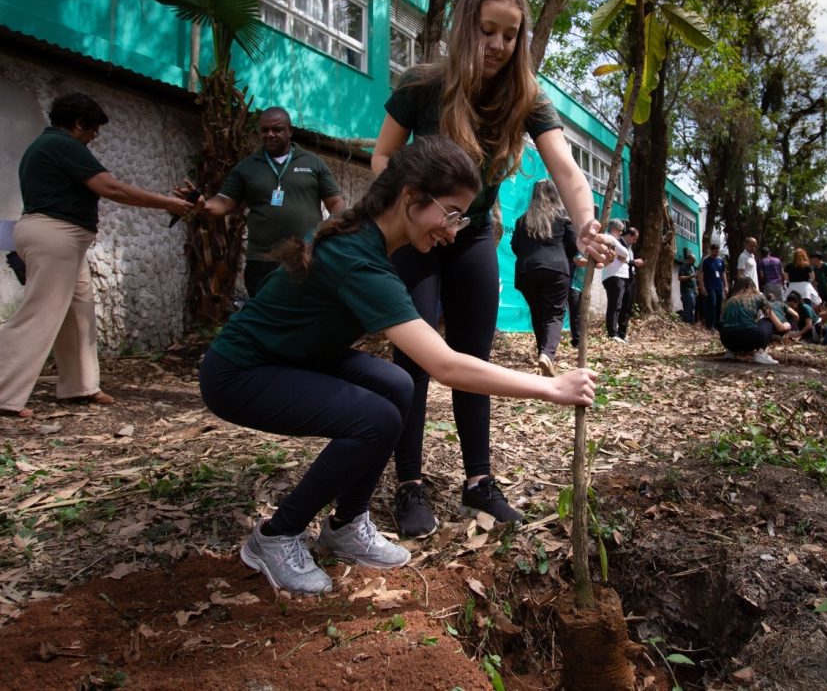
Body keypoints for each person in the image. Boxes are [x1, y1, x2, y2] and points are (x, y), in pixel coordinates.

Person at [199, 137, 598, 595]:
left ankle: (348, 522)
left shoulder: (370, 243)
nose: (453, 231)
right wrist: (551, 388)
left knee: (397, 383)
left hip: (296, 354)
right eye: (450, 213)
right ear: (410, 197)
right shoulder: (358, 258)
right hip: (240, 372)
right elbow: (446, 365)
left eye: (462, 218)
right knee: (375, 417)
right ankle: (277, 535)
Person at [370, 0, 612, 538]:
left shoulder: (525, 97)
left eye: (510, 34)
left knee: (472, 359)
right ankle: (409, 483)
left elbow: (566, 170)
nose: (499, 45)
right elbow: (383, 155)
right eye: (487, 31)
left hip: (475, 234)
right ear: (466, 28)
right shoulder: (423, 85)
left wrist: (586, 225)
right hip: (420, 236)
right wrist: (400, 218)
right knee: (415, 359)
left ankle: (478, 481)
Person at [0, 93, 194, 418]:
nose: (94, 137)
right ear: (78, 123)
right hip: (55, 236)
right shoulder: (64, 146)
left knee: (79, 312)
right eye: (93, 130)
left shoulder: (46, 146)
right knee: (39, 314)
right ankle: (5, 393)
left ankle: (79, 387)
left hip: (62, 238)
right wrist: (168, 203)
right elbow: (111, 188)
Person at [177, 106, 345, 297]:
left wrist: (326, 232)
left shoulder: (312, 163)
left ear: (290, 131)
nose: (270, 134)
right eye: (264, 130)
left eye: (277, 129)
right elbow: (225, 201)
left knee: (301, 318)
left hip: (305, 257)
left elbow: (336, 203)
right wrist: (204, 205)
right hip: (262, 260)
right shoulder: (247, 167)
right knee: (265, 318)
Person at [510, 180, 578, 376]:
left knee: (538, 314)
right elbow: (573, 245)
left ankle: (543, 353)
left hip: (527, 271)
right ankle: (547, 355)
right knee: (554, 314)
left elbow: (515, 247)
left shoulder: (522, 220)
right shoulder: (563, 218)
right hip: (556, 269)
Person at [719, 278, 782, 365]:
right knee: (768, 320)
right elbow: (778, 324)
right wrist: (786, 325)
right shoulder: (758, 297)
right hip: (750, 338)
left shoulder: (729, 301)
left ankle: (731, 352)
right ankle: (761, 353)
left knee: (727, 324)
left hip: (727, 340)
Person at [600, 219, 632, 342]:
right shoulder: (610, 238)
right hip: (614, 276)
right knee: (615, 305)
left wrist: (623, 256)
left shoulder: (614, 240)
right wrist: (622, 255)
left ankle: (616, 332)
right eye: (620, 231)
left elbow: (627, 257)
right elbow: (624, 252)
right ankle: (612, 333)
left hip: (618, 276)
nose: (621, 233)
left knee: (618, 305)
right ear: (614, 229)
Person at [616, 225, 644, 341]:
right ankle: (615, 332)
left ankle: (623, 333)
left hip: (630, 278)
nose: (635, 241)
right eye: (634, 238)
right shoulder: (618, 244)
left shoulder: (629, 247)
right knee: (618, 305)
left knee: (627, 306)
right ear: (628, 235)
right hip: (620, 277)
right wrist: (634, 262)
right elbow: (620, 260)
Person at [698, 242, 728, 330]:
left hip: (719, 286)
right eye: (715, 252)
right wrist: (702, 287)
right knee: (712, 304)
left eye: (717, 252)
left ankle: (717, 324)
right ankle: (710, 324)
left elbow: (723, 274)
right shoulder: (705, 260)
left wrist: (726, 286)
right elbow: (701, 274)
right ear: (711, 251)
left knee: (719, 305)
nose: (716, 253)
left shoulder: (720, 260)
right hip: (709, 286)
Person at [678, 249, 698, 324]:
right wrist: (690, 276)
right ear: (689, 259)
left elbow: (694, 279)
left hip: (693, 290)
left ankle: (689, 320)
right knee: (690, 304)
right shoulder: (683, 267)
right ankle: (688, 321)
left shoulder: (692, 268)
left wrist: (696, 288)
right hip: (686, 290)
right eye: (693, 260)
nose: (694, 262)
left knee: (692, 306)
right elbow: (680, 278)